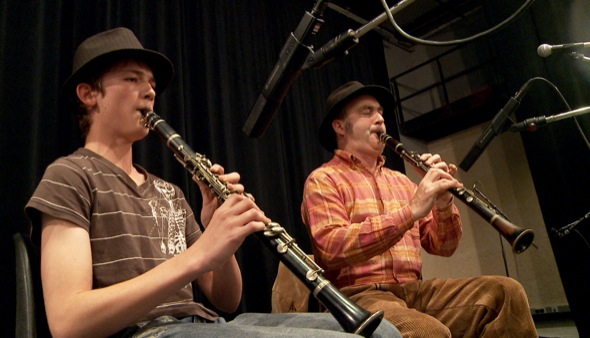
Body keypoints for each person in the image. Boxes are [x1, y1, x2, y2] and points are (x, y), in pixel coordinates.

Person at [24, 28, 401, 338]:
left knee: (385, 333)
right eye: (131, 78)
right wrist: (199, 254)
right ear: (89, 94)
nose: (150, 91)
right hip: (141, 333)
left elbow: (226, 299)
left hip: (205, 325)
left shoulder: (169, 192)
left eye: (152, 83)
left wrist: (218, 233)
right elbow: (68, 321)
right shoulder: (69, 176)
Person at [301, 81, 538, 337]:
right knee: (426, 331)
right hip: (357, 296)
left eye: (380, 112)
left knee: (505, 294)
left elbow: (444, 247)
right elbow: (330, 248)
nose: (380, 118)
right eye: (367, 112)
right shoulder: (324, 179)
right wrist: (410, 211)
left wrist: (443, 203)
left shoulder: (402, 181)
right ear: (339, 127)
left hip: (416, 291)